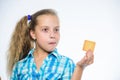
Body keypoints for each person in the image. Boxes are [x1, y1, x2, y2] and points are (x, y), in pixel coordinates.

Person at [7, 9, 94, 80]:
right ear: (33, 34)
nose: (53, 35)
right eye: (45, 30)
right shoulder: (20, 66)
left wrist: (80, 67)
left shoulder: (66, 64)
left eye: (56, 30)